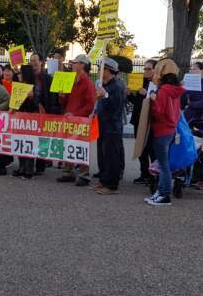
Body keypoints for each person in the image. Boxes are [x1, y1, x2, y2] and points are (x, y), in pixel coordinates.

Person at [141, 59, 183, 205]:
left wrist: (153, 99)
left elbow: (159, 112)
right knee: (163, 164)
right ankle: (161, 192)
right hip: (170, 129)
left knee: (163, 165)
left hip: (162, 130)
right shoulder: (175, 90)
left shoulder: (164, 90)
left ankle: (164, 194)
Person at [56, 55, 96, 186]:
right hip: (70, 118)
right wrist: (61, 96)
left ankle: (84, 175)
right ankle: (68, 172)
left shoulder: (88, 83)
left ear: (82, 65)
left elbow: (90, 105)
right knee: (68, 145)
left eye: (75, 63)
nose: (72, 64)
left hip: (80, 120)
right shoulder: (71, 80)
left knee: (81, 148)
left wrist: (75, 114)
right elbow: (65, 101)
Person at [93, 58, 126, 194]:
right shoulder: (105, 85)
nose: (99, 71)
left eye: (101, 68)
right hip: (103, 125)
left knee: (111, 157)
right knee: (102, 155)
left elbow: (116, 105)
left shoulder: (117, 86)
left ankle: (111, 185)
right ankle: (103, 180)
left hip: (112, 128)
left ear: (107, 70)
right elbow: (101, 104)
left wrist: (104, 95)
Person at [181, 61, 203, 188]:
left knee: (198, 150)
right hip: (188, 118)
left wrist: (190, 104)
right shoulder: (188, 84)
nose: (192, 71)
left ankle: (200, 178)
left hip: (200, 120)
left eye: (195, 69)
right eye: (191, 69)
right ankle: (188, 175)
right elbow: (183, 100)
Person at [129, 59, 158, 185]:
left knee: (152, 149)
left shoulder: (157, 83)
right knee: (141, 148)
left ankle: (154, 174)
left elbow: (157, 103)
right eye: (144, 68)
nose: (145, 71)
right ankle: (144, 174)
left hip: (151, 121)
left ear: (155, 70)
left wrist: (147, 94)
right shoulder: (141, 82)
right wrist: (129, 95)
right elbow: (137, 103)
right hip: (139, 119)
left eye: (148, 68)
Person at [12, 64, 40, 179]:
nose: (20, 75)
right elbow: (15, 102)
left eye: (22, 73)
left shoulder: (34, 86)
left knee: (29, 144)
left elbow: (37, 105)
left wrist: (31, 97)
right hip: (20, 117)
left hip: (30, 118)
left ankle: (29, 170)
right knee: (20, 143)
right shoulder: (19, 85)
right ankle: (21, 167)